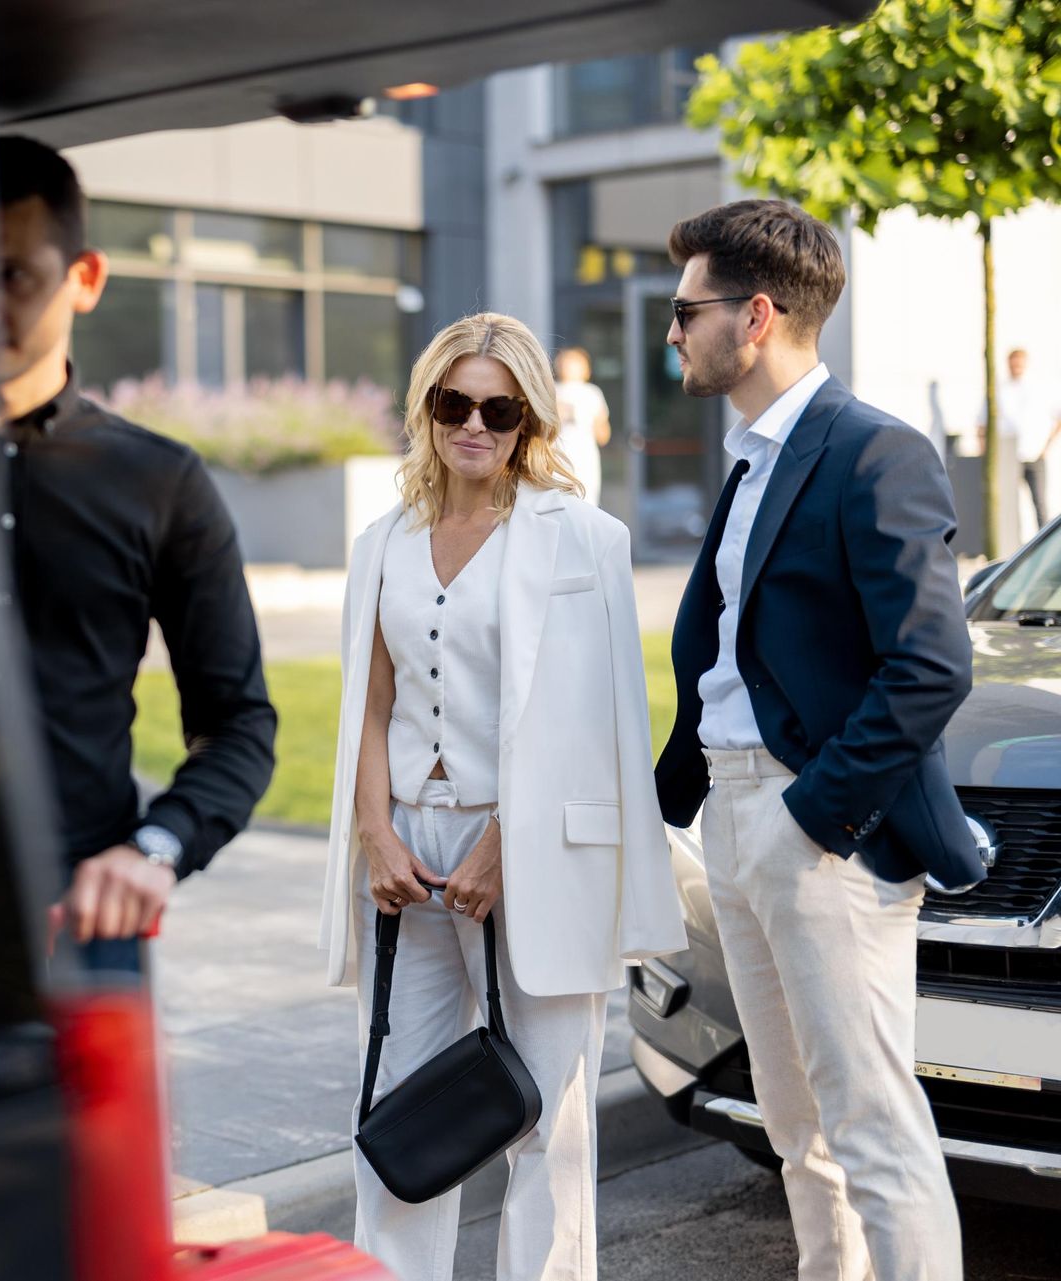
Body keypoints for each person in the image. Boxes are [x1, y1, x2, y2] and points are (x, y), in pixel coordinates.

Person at [319, 313, 686, 1280]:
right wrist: (375, 832)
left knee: (546, 1126)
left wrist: (505, 846)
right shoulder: (383, 542)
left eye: (499, 407)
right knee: (397, 1111)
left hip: (535, 858)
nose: (473, 424)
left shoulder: (586, 541)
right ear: (427, 411)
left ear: (529, 420)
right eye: (454, 403)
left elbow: (601, 724)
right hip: (405, 853)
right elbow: (369, 702)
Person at [654, 200, 978, 1281]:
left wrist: (811, 817)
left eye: (686, 310)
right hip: (737, 824)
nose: (672, 332)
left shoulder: (875, 451)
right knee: (800, 1135)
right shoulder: (749, 460)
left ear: (754, 317)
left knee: (874, 1124)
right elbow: (731, 653)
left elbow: (930, 666)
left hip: (820, 831)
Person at [0, 136, 276, 970]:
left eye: (13, 275)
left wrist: (155, 846)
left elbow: (237, 722)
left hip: (79, 933)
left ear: (84, 278)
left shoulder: (160, 480)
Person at [977, 347, 1061, 535]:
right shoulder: (998, 390)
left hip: (1034, 455)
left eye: (1019, 363)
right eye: (1013, 363)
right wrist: (985, 452)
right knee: (1007, 505)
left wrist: (1047, 447)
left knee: (1039, 503)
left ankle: (1043, 546)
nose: (1016, 367)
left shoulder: (1039, 389)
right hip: (1007, 457)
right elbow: (981, 424)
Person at [552, 347, 610, 505]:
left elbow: (603, 434)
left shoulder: (592, 393)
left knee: (587, 501)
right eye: (566, 363)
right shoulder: (552, 391)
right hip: (556, 459)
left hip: (585, 458)